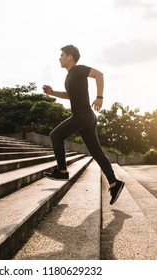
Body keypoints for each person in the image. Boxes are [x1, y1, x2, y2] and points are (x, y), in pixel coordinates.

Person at [43, 44, 124, 205]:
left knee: (55, 135)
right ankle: (115, 183)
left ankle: (62, 171)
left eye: (62, 55)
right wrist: (53, 93)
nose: (59, 58)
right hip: (86, 117)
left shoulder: (78, 70)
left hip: (83, 115)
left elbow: (99, 74)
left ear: (69, 57)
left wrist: (100, 96)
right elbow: (70, 95)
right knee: (96, 152)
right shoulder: (69, 76)